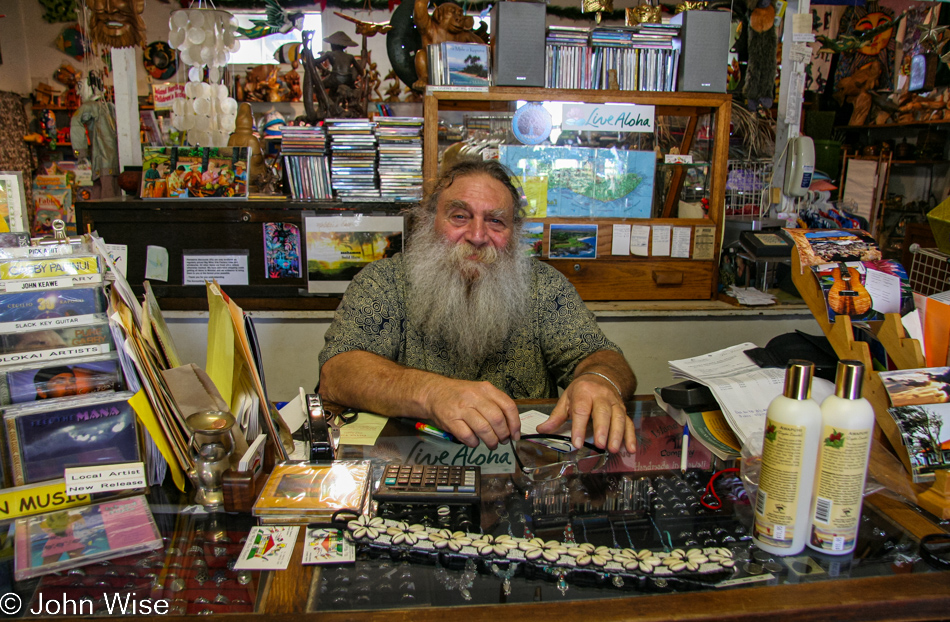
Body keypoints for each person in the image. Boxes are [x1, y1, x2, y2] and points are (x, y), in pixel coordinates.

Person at [318, 159, 637, 453]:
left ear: (514, 235)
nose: (477, 235)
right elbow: (338, 373)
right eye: (459, 216)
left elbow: (603, 357)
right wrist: (432, 393)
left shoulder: (543, 285)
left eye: (496, 221)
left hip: (521, 466)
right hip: (410, 464)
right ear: (430, 222)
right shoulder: (384, 280)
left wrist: (600, 381)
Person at [413, 0, 486, 91]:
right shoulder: (431, 28)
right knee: (421, 54)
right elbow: (420, 6)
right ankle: (424, 77)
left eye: (460, 14)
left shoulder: (464, 35)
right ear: (439, 15)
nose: (458, 18)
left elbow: (485, 51)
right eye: (452, 12)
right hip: (433, 74)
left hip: (457, 78)